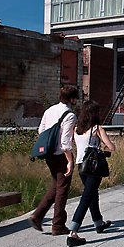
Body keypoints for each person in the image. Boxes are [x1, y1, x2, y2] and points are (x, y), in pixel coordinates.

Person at [27, 85, 79, 236]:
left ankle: (37, 216)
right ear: (72, 99)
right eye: (75, 98)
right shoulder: (70, 115)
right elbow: (65, 142)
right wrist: (69, 160)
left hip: (48, 154)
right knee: (62, 189)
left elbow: (41, 131)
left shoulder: (49, 110)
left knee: (56, 185)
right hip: (61, 155)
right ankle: (58, 225)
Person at [67, 100, 116, 247]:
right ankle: (73, 232)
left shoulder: (76, 129)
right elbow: (112, 147)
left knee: (92, 193)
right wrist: (102, 147)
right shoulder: (97, 129)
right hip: (94, 167)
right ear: (94, 114)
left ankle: (98, 223)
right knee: (87, 196)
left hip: (81, 166)